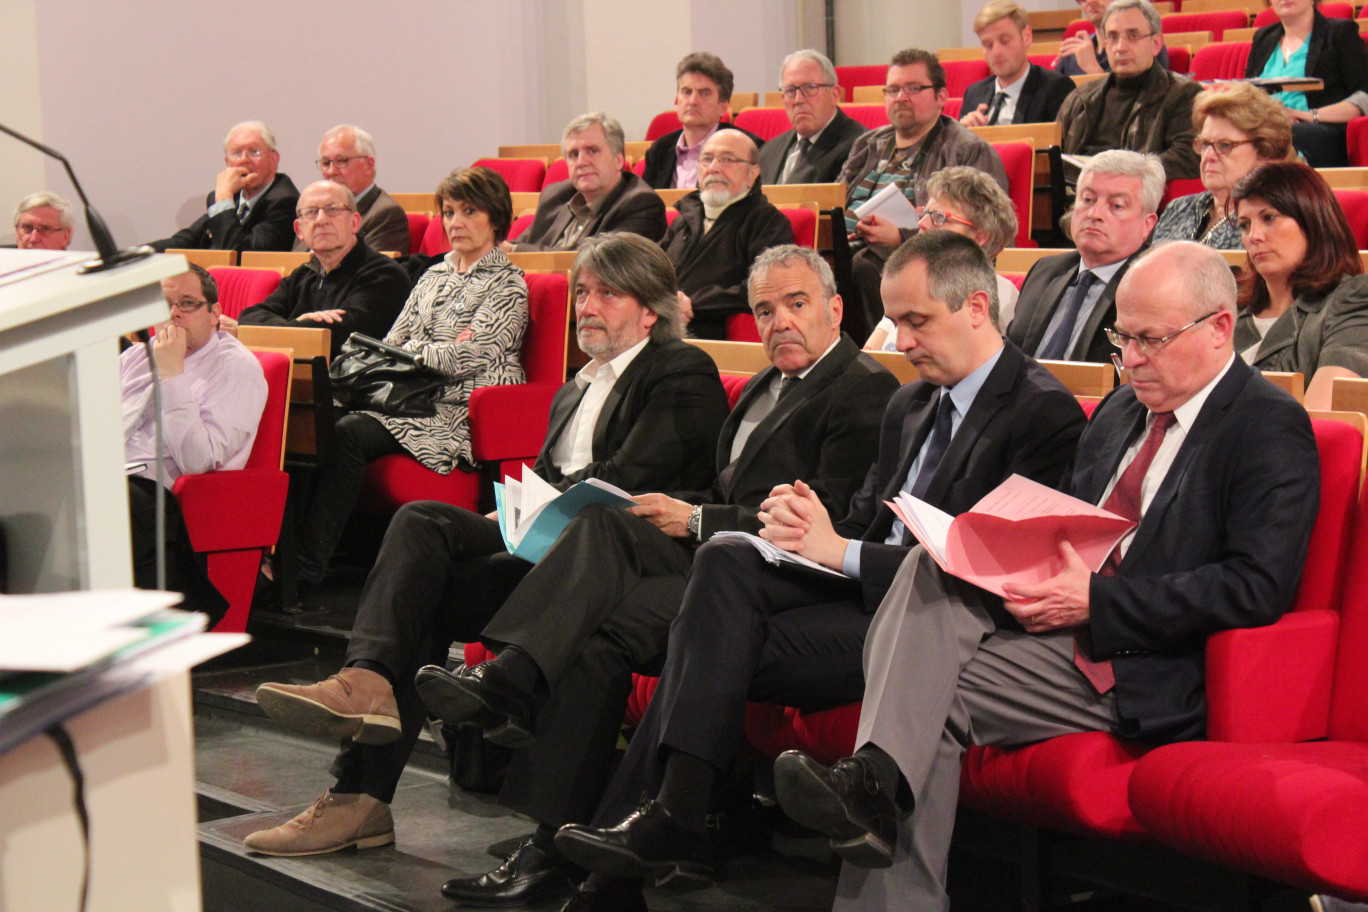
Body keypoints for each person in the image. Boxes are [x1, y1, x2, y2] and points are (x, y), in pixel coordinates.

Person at [767, 240, 1320, 912]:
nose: (1131, 359)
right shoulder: (1121, 411)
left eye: (1150, 339)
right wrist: (1004, 554)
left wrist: (1097, 600)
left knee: (922, 698)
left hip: (1140, 661)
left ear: (1219, 329)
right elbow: (1072, 526)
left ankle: (870, 794)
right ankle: (873, 786)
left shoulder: (1267, 425)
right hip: (1051, 625)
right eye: (1122, 337)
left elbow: (1255, 587)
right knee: (924, 564)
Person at [552, 231, 1086, 912]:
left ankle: (656, 830)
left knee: (703, 642)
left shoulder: (1042, 413)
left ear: (978, 307)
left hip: (929, 633)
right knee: (727, 558)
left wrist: (840, 551)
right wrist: (807, 530)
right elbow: (865, 518)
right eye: (896, 321)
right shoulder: (912, 402)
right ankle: (669, 815)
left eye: (917, 321)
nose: (902, 339)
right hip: (856, 601)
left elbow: (982, 571)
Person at [416, 246, 898, 909]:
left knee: (608, 545)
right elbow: (727, 485)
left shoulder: (864, 388)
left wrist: (699, 517)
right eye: (763, 310)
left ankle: (514, 689)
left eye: (796, 304)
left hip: (789, 586)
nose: (778, 322)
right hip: (725, 562)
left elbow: (833, 518)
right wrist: (693, 514)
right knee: (600, 598)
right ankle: (562, 845)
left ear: (836, 307)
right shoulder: (764, 385)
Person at [242, 232, 728, 858]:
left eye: (609, 294)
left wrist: (538, 508)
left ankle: (387, 773)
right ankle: (364, 700)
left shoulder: (680, 371)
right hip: (552, 544)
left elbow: (626, 482)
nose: (588, 306)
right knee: (423, 526)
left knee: (438, 584)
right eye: (583, 292)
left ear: (651, 310)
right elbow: (557, 481)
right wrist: (526, 510)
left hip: (618, 566)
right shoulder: (576, 385)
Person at [288, 167, 528, 593]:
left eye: (469, 211)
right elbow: (391, 343)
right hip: (412, 398)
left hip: (457, 410)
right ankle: (289, 559)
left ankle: (302, 574)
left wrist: (420, 352)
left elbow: (468, 356)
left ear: (495, 218)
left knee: (347, 435)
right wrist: (428, 350)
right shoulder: (432, 276)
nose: (455, 222)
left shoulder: (508, 284)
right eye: (449, 212)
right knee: (315, 424)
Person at [122, 264, 267, 624]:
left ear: (214, 313)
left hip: (157, 491)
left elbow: (197, 461)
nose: (173, 314)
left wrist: (173, 376)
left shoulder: (237, 369)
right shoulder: (135, 357)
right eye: (165, 304)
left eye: (187, 303)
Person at [840, 48, 1008, 334]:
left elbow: (984, 231)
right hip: (849, 243)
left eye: (913, 88)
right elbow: (837, 197)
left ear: (941, 97)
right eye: (892, 89)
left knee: (864, 264)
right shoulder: (867, 143)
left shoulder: (967, 149)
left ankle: (880, 361)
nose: (900, 97)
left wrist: (900, 238)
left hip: (917, 257)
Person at [1232, 159, 1368, 410]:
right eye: (1245, 225)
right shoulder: (1229, 307)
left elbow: (1317, 419)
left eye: (1269, 218)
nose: (1254, 236)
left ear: (1312, 220)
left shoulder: (1354, 299)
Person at [1007, 150, 1161, 363]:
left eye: (1116, 206)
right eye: (1087, 199)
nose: (1094, 214)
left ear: (1147, 224)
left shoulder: (1152, 288)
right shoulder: (1044, 272)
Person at [233, 181, 412, 357]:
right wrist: (299, 323)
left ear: (355, 222)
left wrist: (290, 325)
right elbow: (249, 318)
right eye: (310, 212)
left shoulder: (384, 275)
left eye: (332, 209)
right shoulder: (304, 274)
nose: (320, 220)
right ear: (299, 230)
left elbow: (336, 336)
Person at [865, 165, 1020, 349]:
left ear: (979, 236)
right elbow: (871, 354)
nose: (922, 224)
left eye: (939, 217)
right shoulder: (909, 283)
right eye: (924, 213)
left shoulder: (1000, 294)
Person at [660, 130, 794, 339]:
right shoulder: (683, 219)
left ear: (753, 173)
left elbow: (760, 288)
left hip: (710, 333)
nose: (714, 168)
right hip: (660, 325)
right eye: (707, 159)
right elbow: (651, 272)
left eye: (727, 160)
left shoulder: (767, 222)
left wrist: (690, 303)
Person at [1056, 0, 1201, 181]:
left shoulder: (1183, 94)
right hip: (1075, 198)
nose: (1121, 47)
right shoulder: (1079, 99)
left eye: (1133, 36)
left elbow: (1188, 156)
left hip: (1141, 200)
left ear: (1156, 44)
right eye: (1113, 37)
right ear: (1106, 44)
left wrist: (1120, 176)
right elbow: (1052, 159)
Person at [1151, 83, 1295, 248]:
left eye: (1225, 145)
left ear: (1265, 151)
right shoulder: (1178, 209)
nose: (1209, 156)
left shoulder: (1271, 218)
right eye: (1205, 144)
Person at [511, 112, 666, 251]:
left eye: (592, 151)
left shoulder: (641, 204)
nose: (581, 162)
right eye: (574, 154)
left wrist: (516, 251)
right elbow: (516, 245)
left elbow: (595, 262)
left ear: (618, 160)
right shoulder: (556, 196)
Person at [1245, 0, 1368, 167]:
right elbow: (1247, 94)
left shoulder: (1339, 33)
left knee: (1288, 134)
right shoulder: (1263, 38)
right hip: (1266, 126)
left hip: (1316, 131)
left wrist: (1309, 115)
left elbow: (1364, 94)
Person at [149, 121, 299, 253]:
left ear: (274, 159)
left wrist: (223, 201)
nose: (244, 160)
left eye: (255, 152)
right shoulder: (231, 195)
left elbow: (238, 255)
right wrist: (137, 253)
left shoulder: (285, 201)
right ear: (228, 162)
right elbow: (189, 240)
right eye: (237, 153)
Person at [641, 52, 765, 190]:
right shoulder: (660, 150)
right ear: (676, 101)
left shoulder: (746, 149)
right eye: (687, 92)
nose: (693, 101)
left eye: (705, 93)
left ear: (723, 106)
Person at [292, 125, 410, 255]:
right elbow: (294, 262)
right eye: (326, 163)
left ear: (369, 165)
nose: (331, 171)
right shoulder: (311, 212)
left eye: (342, 161)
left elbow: (373, 271)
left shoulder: (385, 213)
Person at [758, 50, 869, 185]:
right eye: (790, 91)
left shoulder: (859, 148)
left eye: (810, 88)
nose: (798, 100)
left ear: (834, 95)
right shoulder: (769, 151)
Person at [960, 1, 1076, 127]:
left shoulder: (1056, 89)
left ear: (1026, 37)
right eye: (988, 45)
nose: (996, 52)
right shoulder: (974, 93)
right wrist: (965, 137)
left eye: (1005, 41)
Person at [1055, 0, 1171, 76]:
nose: (1089, 2)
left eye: (1132, 35)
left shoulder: (1146, 44)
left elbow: (1147, 96)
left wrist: (1094, 70)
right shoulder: (1074, 52)